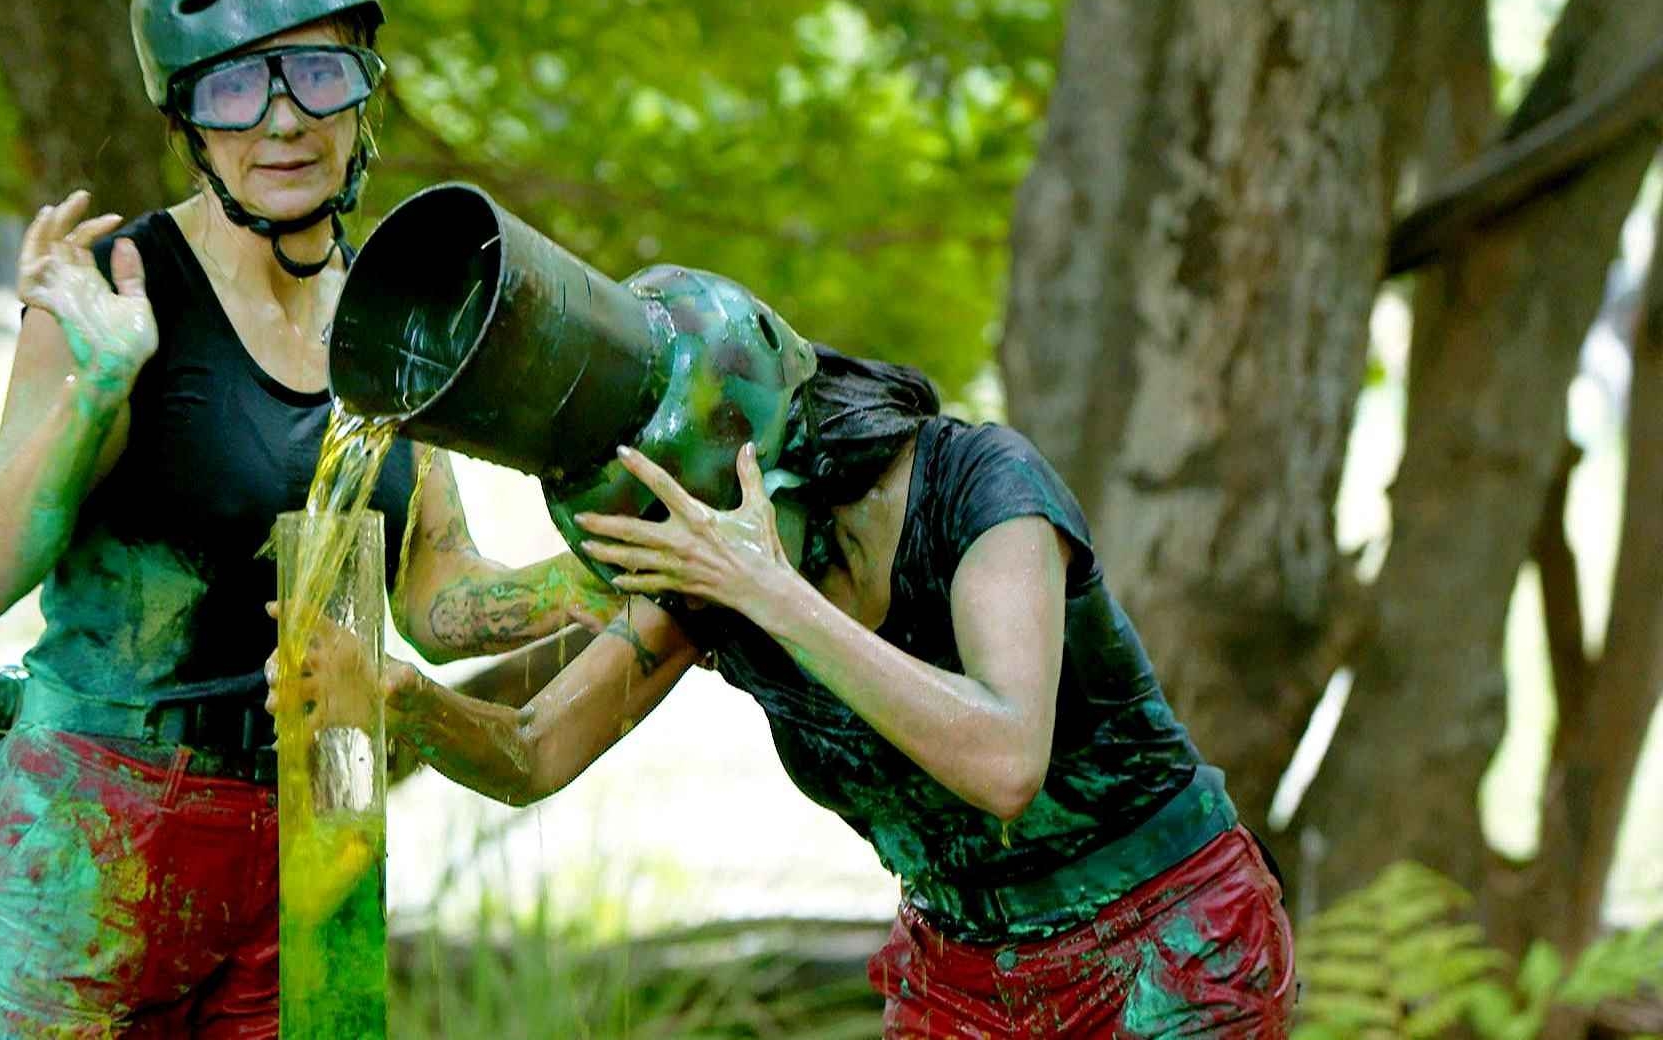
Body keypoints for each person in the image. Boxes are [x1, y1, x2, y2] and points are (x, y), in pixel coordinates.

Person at [287, 329, 1298, 1037]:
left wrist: (766, 590)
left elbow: (1004, 762)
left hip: (1164, 944)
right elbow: (538, 750)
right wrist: (410, 702)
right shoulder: (712, 574)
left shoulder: (986, 496)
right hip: (965, 970)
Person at [0, 0, 606, 1033]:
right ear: (189, 124)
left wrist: (608, 581)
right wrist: (98, 387)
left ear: (366, 95)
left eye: (317, 75)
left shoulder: (399, 317)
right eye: (236, 89)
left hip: (328, 801)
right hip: (97, 823)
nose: (286, 120)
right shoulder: (116, 287)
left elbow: (437, 600)